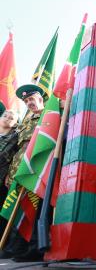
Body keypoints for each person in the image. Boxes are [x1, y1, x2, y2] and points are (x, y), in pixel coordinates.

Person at [1, 84, 45, 261]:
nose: (29, 103)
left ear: (41, 99)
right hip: (18, 171)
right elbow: (17, 149)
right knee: (16, 210)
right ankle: (15, 247)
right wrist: (10, 174)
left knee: (33, 209)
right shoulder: (26, 121)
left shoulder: (49, 115)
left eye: (32, 99)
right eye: (26, 101)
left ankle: (33, 247)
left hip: (36, 170)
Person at [0, 106, 19, 234]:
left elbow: (15, 158)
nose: (7, 118)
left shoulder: (16, 137)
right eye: (5, 116)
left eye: (11, 118)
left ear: (15, 124)